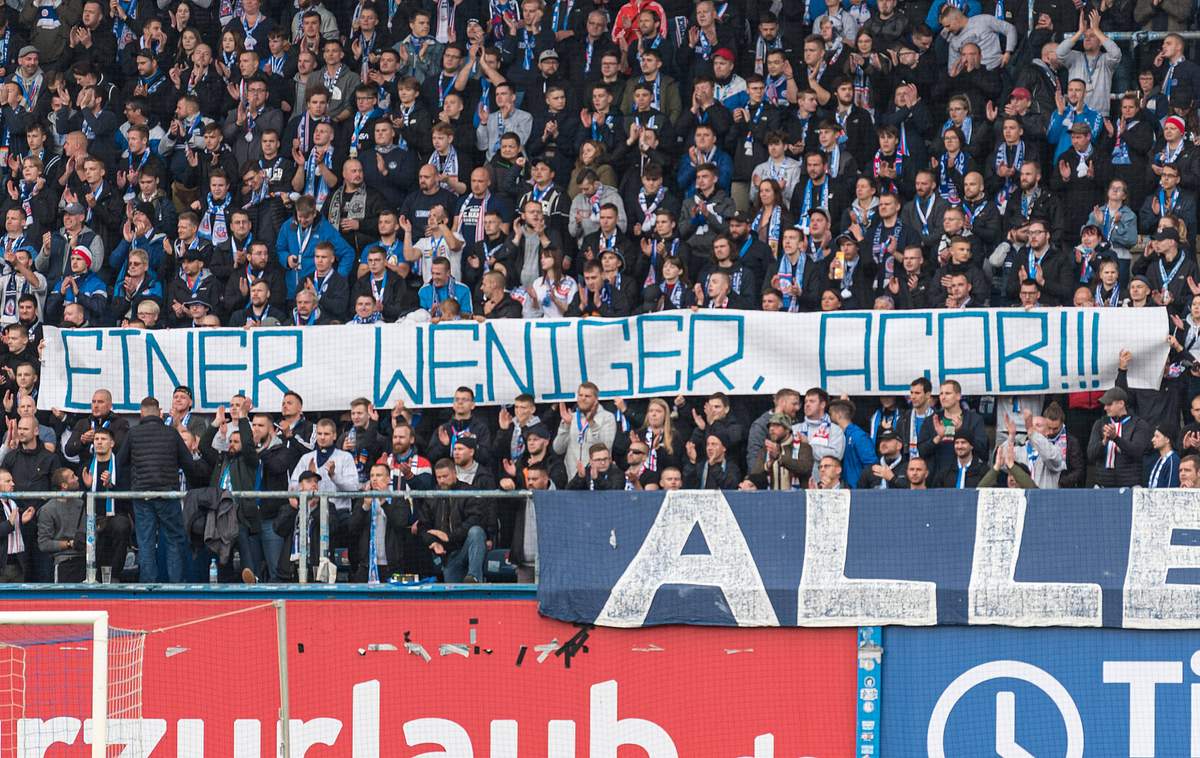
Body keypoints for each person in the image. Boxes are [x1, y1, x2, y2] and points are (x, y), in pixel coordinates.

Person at [117, 396, 201, 583]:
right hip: (167, 493)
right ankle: (175, 585)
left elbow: (120, 462)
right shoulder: (171, 434)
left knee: (145, 541)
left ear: (142, 412)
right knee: (173, 540)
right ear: (159, 412)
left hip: (142, 494)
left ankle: (148, 585)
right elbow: (189, 464)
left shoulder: (133, 434)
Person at [420, 458, 487, 583]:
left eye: (445, 476)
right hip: (448, 555)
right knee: (453, 598)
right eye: (439, 477)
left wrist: (450, 537)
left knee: (476, 531)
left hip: (465, 547)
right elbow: (423, 526)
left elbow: (476, 519)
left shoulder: (468, 491)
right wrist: (434, 543)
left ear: (455, 473)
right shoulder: (432, 495)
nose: (442, 481)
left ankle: (474, 576)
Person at [1086, 386, 1151, 488]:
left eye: (1109, 404)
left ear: (1121, 403)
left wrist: (1116, 438)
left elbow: (1137, 452)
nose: (1105, 408)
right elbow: (1090, 455)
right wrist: (1104, 442)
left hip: (1130, 485)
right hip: (1103, 484)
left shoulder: (1139, 424)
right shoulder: (1099, 424)